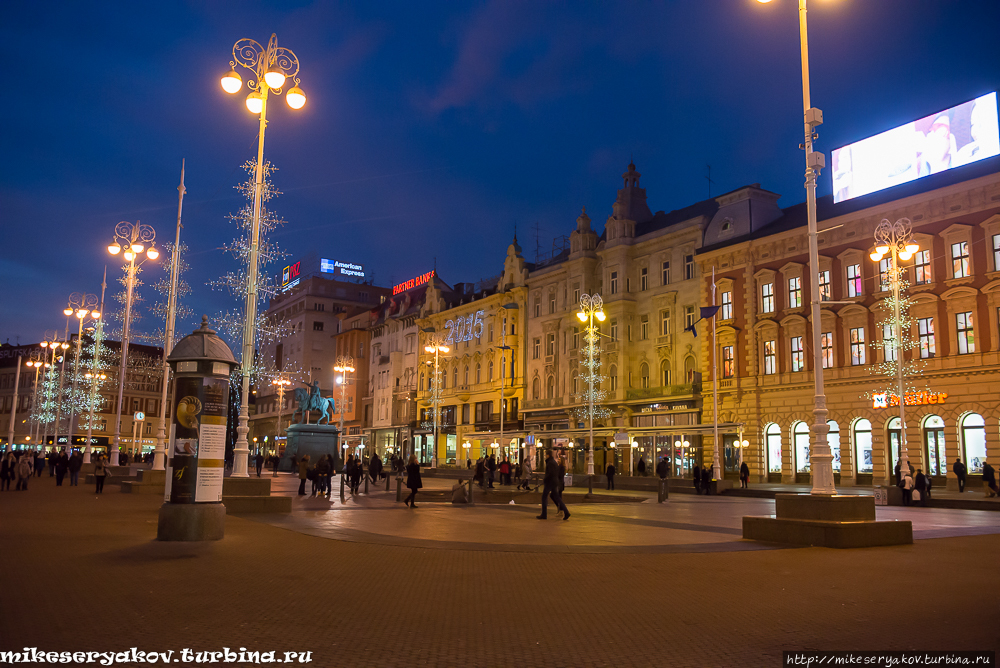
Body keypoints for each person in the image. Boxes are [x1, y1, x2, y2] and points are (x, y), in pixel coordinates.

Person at [537, 450, 569, 521]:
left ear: (548, 455)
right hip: (554, 482)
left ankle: (544, 514)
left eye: (546, 454)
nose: (545, 456)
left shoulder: (550, 463)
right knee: (557, 497)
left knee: (544, 497)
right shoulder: (553, 462)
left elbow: (550, 474)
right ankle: (566, 512)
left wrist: (545, 479)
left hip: (550, 482)